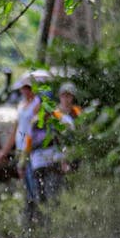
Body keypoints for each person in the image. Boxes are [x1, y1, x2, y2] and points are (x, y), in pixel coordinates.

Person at [27, 82, 82, 213]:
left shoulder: (63, 119)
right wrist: (24, 159)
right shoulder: (35, 121)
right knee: (38, 195)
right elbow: (29, 142)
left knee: (54, 193)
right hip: (38, 164)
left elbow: (65, 141)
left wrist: (65, 160)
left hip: (55, 162)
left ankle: (55, 217)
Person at [0, 73, 43, 221]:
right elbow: (16, 129)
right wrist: (5, 150)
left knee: (32, 179)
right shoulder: (21, 106)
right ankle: (29, 214)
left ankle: (38, 213)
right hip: (21, 147)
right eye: (23, 88)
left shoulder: (37, 104)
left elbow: (37, 126)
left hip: (32, 147)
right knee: (24, 179)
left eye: (28, 88)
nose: (25, 91)